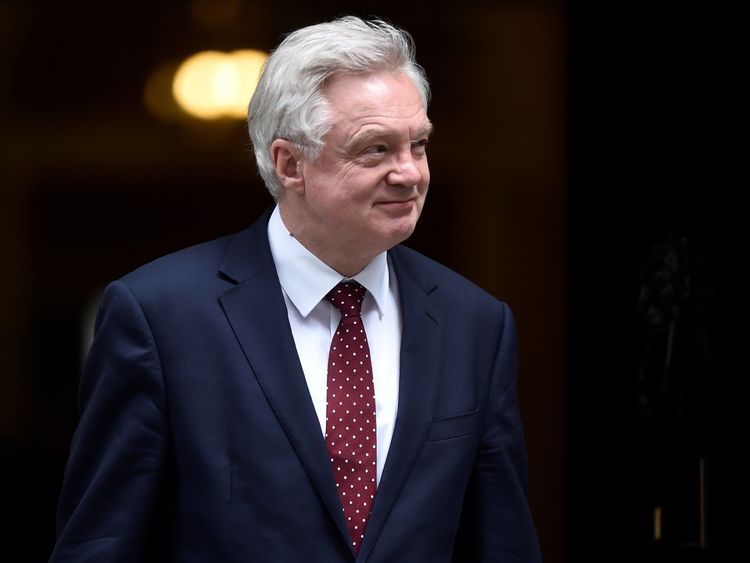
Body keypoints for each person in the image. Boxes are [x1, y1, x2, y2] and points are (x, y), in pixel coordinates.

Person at [50, 15, 542, 562]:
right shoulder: (160, 317)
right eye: (376, 149)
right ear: (290, 164)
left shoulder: (475, 323)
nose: (409, 173)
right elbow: (100, 545)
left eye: (418, 145)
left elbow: (503, 542)